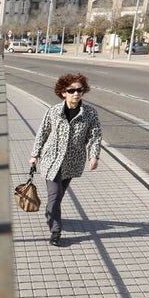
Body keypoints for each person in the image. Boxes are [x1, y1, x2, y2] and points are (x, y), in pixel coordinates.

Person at [28, 74, 103, 246]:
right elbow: (42, 133)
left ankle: (51, 213)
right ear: (63, 93)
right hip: (51, 159)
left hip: (71, 162)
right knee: (54, 196)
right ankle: (56, 230)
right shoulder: (53, 111)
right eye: (71, 90)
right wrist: (35, 154)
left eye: (79, 90)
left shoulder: (90, 113)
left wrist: (94, 155)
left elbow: (95, 137)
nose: (76, 94)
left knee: (58, 196)